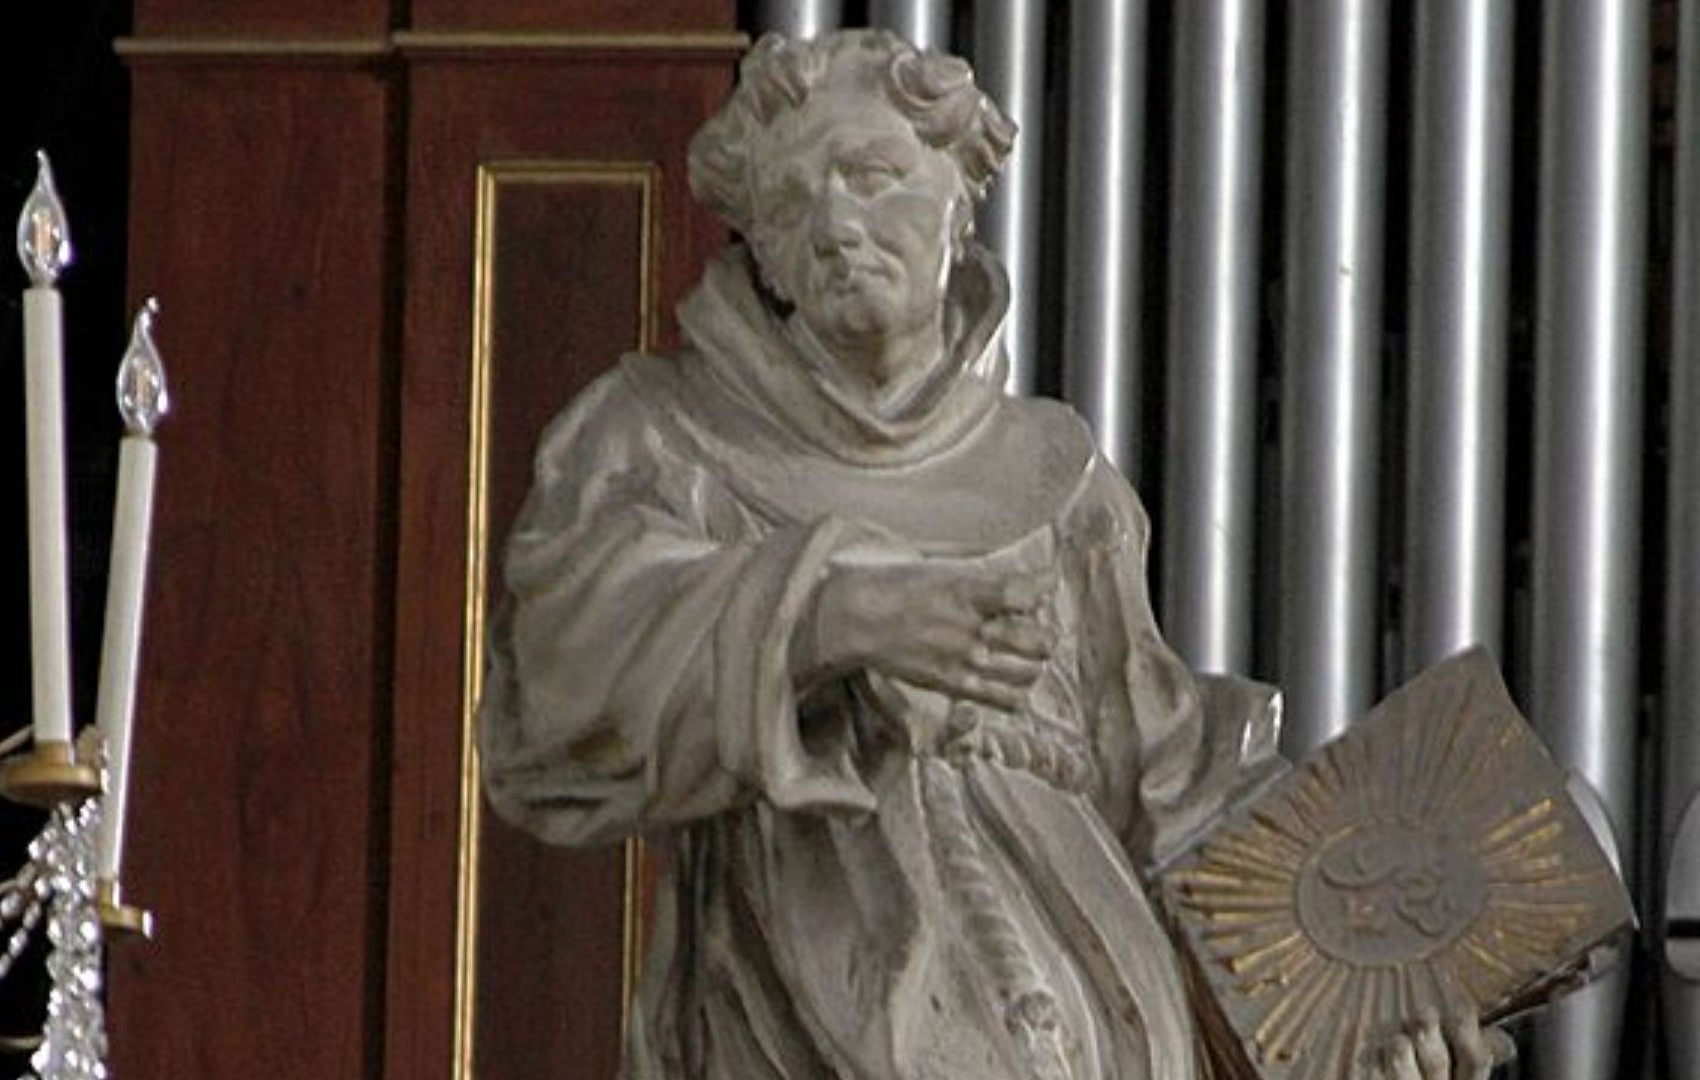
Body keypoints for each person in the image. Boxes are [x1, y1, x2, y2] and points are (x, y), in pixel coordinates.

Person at [479, 29, 1505, 1080]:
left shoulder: (1064, 483)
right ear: (764, 251)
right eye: (790, 201)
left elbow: (1170, 801)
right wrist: (829, 615)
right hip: (800, 1023)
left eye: (873, 176)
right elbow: (547, 698)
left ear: (959, 201)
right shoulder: (663, 438)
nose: (835, 225)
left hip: (1109, 1029)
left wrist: (1361, 1024)